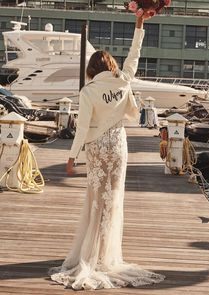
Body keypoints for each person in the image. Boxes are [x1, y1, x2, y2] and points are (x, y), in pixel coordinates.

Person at [49, 15, 165, 290]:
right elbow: (134, 54)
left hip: (97, 148)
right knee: (114, 200)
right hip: (118, 145)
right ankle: (106, 255)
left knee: (95, 199)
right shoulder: (123, 80)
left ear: (91, 69)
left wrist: (71, 157)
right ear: (111, 64)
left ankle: (91, 254)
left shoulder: (88, 90)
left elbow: (81, 129)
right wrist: (139, 24)